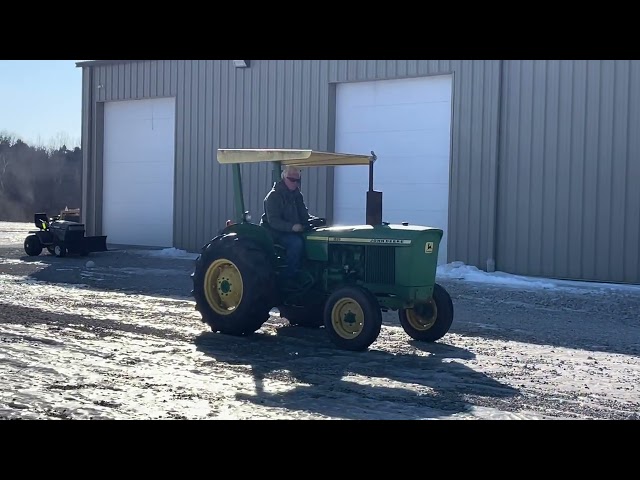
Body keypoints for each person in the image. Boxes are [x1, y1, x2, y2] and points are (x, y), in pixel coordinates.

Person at [260, 165, 316, 284]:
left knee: (312, 238)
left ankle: (310, 273)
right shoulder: (273, 196)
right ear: (284, 177)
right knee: (296, 243)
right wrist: (292, 227)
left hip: (294, 230)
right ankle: (288, 277)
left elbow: (304, 214)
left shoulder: (297, 195)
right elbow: (274, 221)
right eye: (292, 180)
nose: (295, 183)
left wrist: (315, 221)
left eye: (297, 180)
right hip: (275, 233)